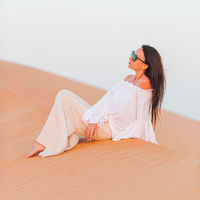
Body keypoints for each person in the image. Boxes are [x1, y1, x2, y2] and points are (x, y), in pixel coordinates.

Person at [27, 44, 166, 158]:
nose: (130, 57)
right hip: (100, 121)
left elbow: (142, 117)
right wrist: (94, 119)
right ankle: (56, 139)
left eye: (135, 57)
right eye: (132, 53)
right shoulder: (128, 78)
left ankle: (42, 142)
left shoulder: (144, 83)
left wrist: (145, 141)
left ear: (145, 65)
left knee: (64, 97)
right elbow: (108, 100)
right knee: (64, 95)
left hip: (108, 129)